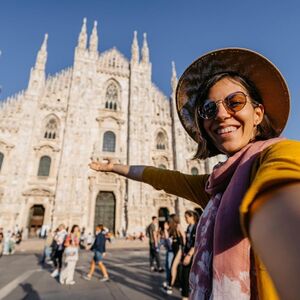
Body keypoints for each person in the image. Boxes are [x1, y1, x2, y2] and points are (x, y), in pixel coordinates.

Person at [89, 48, 300, 299]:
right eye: (209, 109)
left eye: (235, 102)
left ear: (258, 113)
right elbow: (160, 177)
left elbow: (284, 201)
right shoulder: (214, 186)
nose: (222, 114)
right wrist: (113, 167)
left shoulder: (279, 154)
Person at [180, 210, 199, 300]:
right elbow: (188, 242)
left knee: (187, 275)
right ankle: (186, 296)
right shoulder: (189, 227)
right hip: (187, 253)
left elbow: (195, 243)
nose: (185, 219)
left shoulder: (196, 227)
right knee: (185, 275)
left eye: (186, 217)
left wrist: (189, 255)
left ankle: (187, 296)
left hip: (193, 255)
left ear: (192, 217)